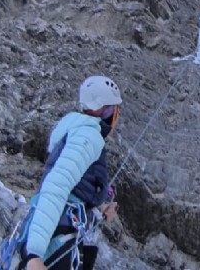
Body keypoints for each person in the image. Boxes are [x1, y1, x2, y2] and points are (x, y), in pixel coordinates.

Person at [19, 75, 122, 270]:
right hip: (58, 238)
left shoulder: (77, 131)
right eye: (114, 110)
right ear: (105, 111)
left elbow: (74, 191)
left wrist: (99, 210)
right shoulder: (88, 136)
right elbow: (56, 186)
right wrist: (33, 254)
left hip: (65, 233)